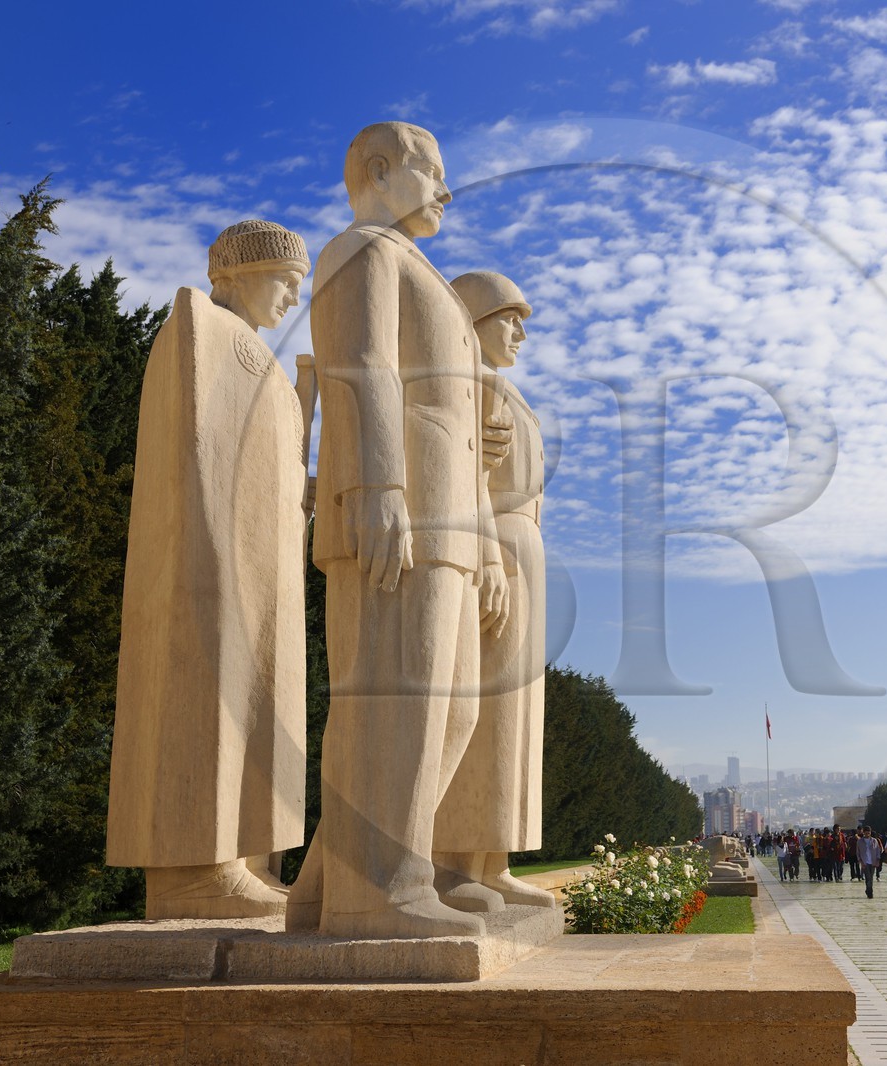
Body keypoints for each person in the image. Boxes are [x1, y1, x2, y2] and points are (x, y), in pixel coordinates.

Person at [289, 121, 509, 940]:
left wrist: (481, 535)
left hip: (443, 509)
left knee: (445, 709)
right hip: (397, 504)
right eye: (433, 172)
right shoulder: (359, 251)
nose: (447, 190)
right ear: (380, 170)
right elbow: (360, 365)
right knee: (395, 699)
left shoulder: (418, 267)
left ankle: (332, 885)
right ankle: (378, 889)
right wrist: (374, 484)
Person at [107, 219, 312, 920]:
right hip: (213, 558)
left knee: (261, 699)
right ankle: (196, 869)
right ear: (238, 271)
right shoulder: (200, 328)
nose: (291, 299)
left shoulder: (260, 357)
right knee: (209, 697)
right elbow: (197, 453)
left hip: (263, 564)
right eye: (286, 281)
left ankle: (249, 858)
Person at [430, 271, 556, 911]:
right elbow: (467, 478)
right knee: (482, 710)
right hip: (495, 549)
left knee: (514, 719)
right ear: (473, 320)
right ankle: (453, 863)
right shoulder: (464, 387)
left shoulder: (505, 390)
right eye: (508, 318)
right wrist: (490, 559)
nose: (520, 332)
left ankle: (493, 858)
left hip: (522, 548)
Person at [857, 825, 881, 898]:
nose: (867, 833)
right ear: (863, 833)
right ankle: (870, 893)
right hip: (865, 862)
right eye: (866, 832)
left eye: (869, 832)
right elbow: (858, 853)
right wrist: (861, 863)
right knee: (868, 877)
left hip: (873, 862)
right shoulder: (860, 841)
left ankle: (868, 890)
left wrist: (877, 860)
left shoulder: (874, 840)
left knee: (871, 878)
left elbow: (878, 851)